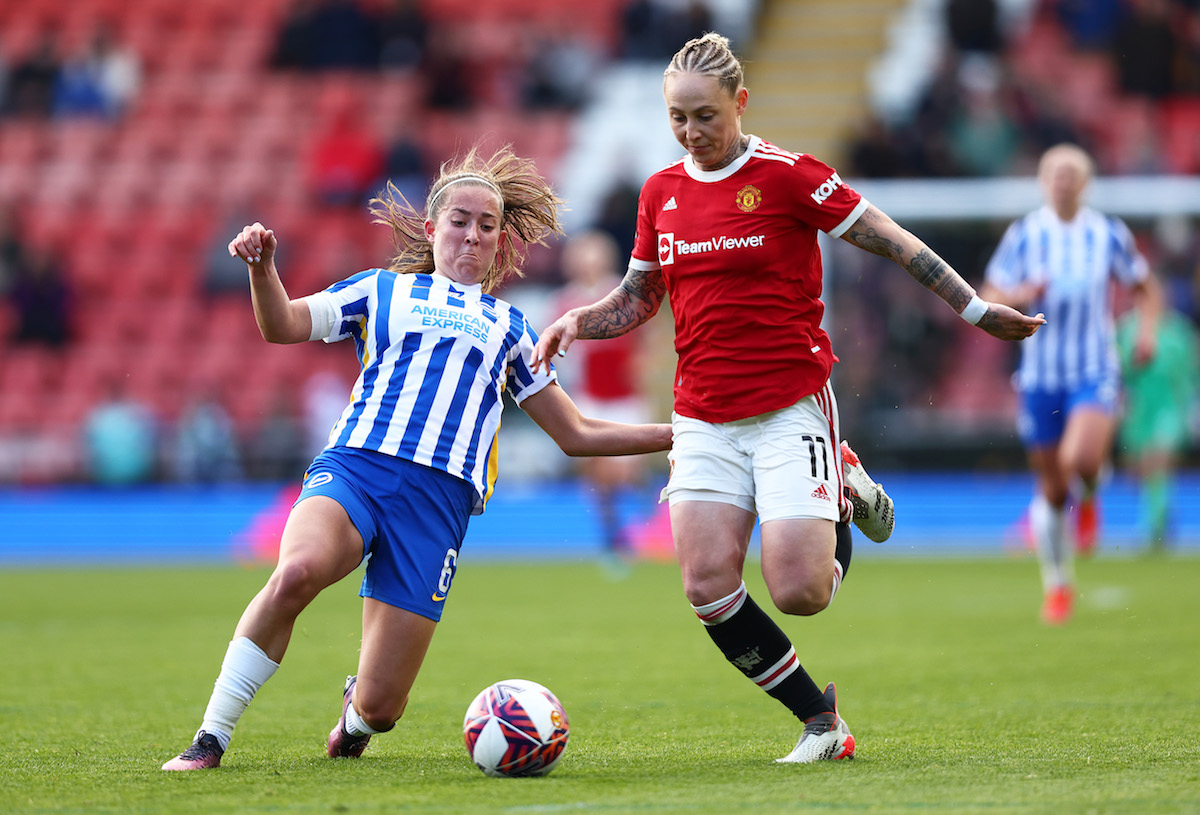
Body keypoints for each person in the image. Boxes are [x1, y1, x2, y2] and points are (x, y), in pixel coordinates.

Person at [531, 33, 1044, 764]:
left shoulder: (787, 176)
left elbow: (891, 238)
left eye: (704, 116)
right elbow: (640, 296)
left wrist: (974, 307)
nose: (690, 132)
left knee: (801, 591)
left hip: (788, 407)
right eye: (677, 117)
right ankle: (820, 720)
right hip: (701, 415)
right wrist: (579, 320)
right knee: (707, 585)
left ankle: (843, 482)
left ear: (740, 103)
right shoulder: (661, 193)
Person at [161, 144, 672, 771]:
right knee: (295, 573)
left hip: (438, 505)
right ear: (432, 229)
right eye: (460, 220)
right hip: (357, 469)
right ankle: (210, 738)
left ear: (499, 240)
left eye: (487, 226)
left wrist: (678, 434)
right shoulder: (381, 292)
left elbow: (577, 434)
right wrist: (264, 270)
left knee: (383, 708)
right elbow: (284, 326)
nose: (472, 234)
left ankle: (353, 716)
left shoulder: (511, 328)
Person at [981, 143, 1162, 624]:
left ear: (1084, 183)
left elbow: (1145, 288)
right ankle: (1058, 585)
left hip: (1092, 369)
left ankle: (1091, 488)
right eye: (1054, 174)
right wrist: (1021, 294)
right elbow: (990, 293)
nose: (1062, 182)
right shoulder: (1026, 234)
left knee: (1079, 458)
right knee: (1053, 490)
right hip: (1040, 377)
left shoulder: (1106, 233)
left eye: (1070, 174)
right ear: (1043, 182)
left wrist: (1146, 333)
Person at [553, 230, 653, 571]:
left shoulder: (621, 294)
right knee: (598, 475)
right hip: (590, 398)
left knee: (622, 472)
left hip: (624, 397)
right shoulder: (566, 302)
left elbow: (643, 342)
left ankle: (644, 507)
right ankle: (613, 539)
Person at [1115, 303, 1197, 552]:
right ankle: (1159, 514)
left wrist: (1192, 407)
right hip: (1139, 409)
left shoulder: (1179, 331)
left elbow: (1191, 373)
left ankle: (1155, 528)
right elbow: (1117, 369)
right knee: (1137, 471)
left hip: (1170, 406)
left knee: (1157, 460)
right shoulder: (1126, 329)